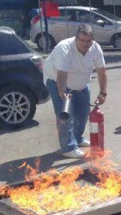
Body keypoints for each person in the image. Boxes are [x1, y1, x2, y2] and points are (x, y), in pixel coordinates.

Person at [43, 24, 107, 158]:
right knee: (66, 116)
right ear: (76, 38)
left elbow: (101, 71)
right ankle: (68, 147)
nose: (85, 44)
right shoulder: (64, 48)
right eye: (82, 40)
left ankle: (77, 138)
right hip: (57, 82)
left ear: (92, 40)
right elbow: (61, 74)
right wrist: (61, 91)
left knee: (83, 113)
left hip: (81, 84)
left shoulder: (96, 48)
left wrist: (103, 92)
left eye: (88, 41)